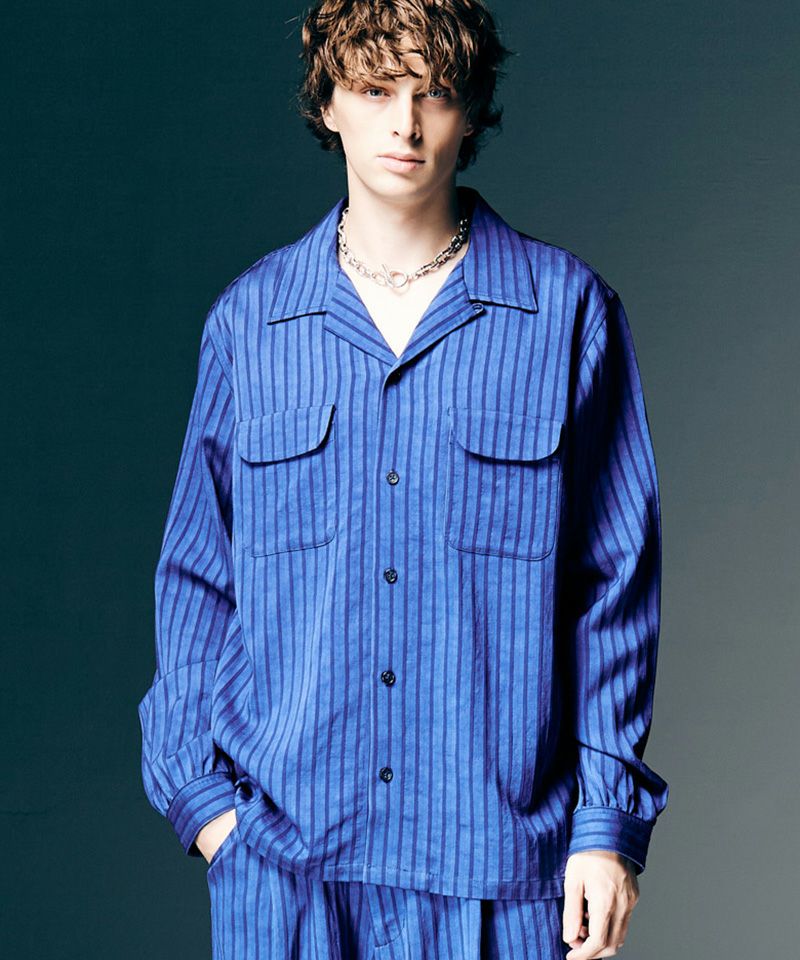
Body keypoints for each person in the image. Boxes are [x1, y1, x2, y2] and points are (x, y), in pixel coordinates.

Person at [136, 1, 670, 957]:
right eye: (377, 89)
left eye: (435, 93)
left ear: (472, 111)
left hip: (502, 874)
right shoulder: (250, 325)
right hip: (287, 875)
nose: (406, 124)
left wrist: (604, 826)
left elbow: (613, 586)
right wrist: (206, 805)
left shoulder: (567, 314)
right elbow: (198, 578)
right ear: (328, 104)